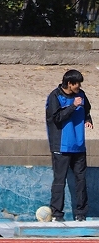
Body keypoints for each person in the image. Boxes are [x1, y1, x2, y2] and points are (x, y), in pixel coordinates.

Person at [45, 69, 93, 222]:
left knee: (81, 180)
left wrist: (88, 119)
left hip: (79, 146)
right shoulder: (55, 96)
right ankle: (57, 213)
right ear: (69, 83)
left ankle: (81, 213)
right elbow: (56, 118)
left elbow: (87, 109)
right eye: (77, 83)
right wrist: (72, 106)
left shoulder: (81, 94)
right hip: (61, 146)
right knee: (59, 180)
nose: (79, 86)